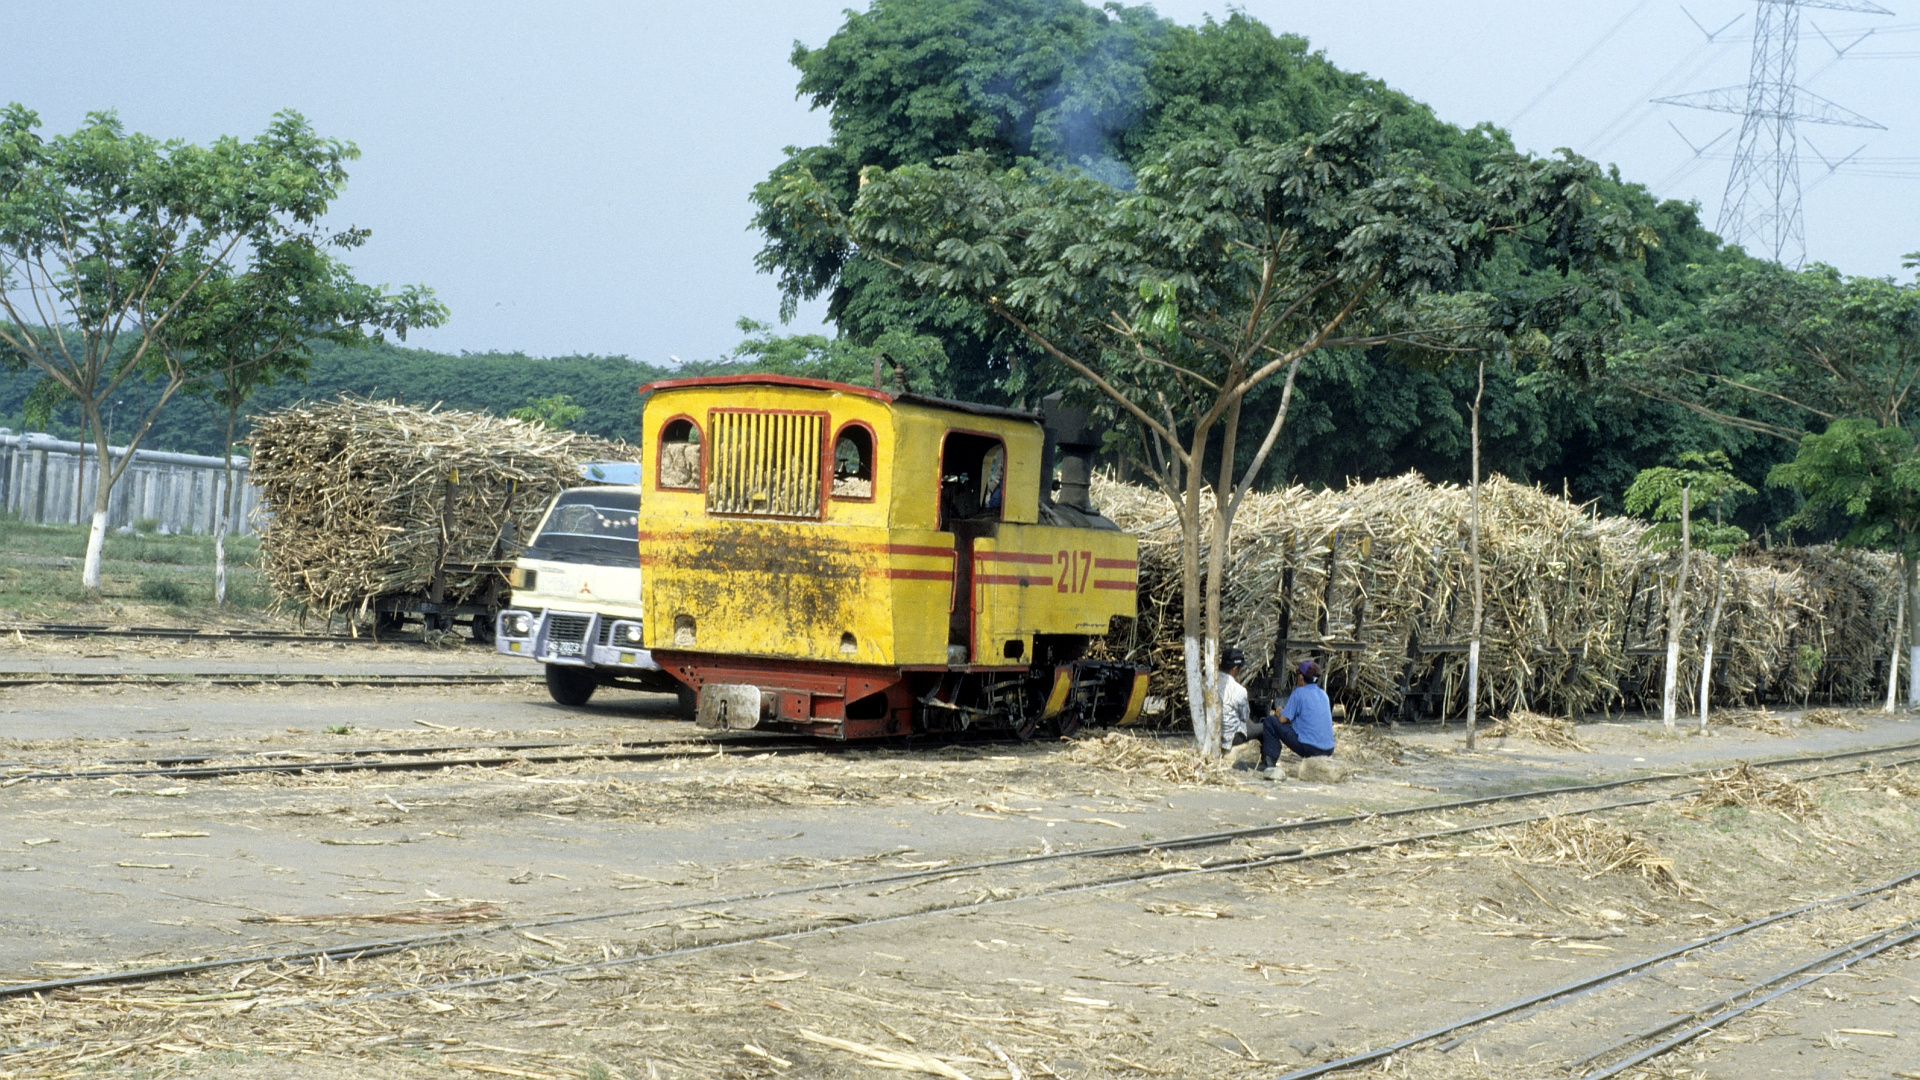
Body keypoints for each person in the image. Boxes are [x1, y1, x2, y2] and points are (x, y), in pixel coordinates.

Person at [1259, 660, 1336, 777]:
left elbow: (1282, 720)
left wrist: (1279, 712)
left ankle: (1268, 763)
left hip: (1310, 748)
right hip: (1328, 749)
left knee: (1270, 721)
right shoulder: (1323, 694)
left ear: (1301, 677)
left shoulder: (1299, 692)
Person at [1217, 647, 1251, 752]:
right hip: (1228, 738)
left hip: (1212, 735)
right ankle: (1265, 763)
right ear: (1235, 669)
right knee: (1265, 727)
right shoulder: (1240, 690)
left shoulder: (1208, 682)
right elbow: (1245, 717)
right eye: (1240, 669)